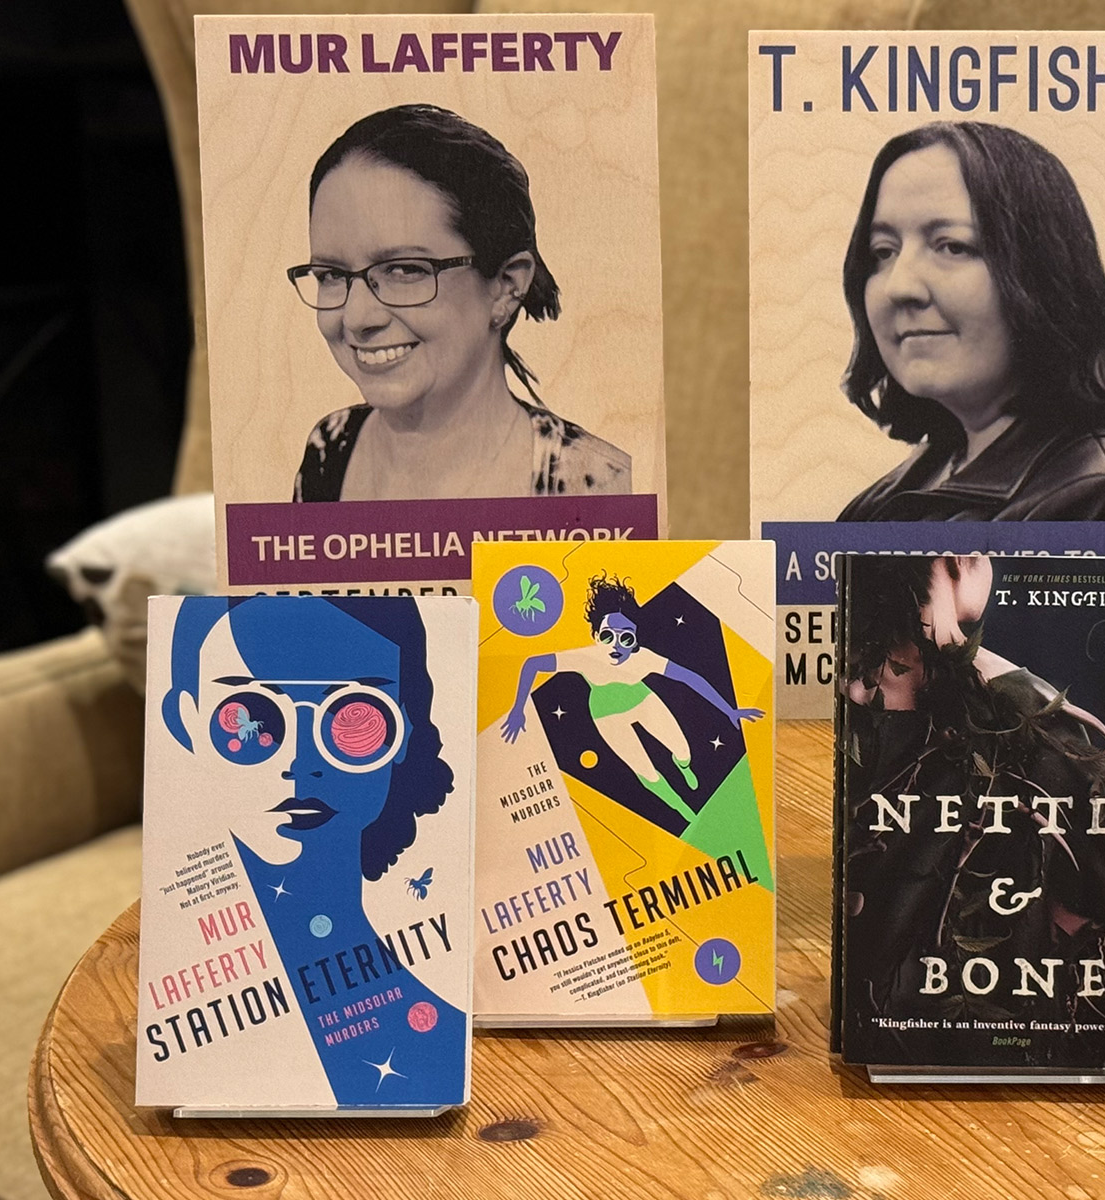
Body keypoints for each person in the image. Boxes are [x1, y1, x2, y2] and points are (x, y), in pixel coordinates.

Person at [838, 554, 1105, 1038]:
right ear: (959, 561)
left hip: (871, 1024)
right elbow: (1099, 899)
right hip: (994, 1021)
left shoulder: (845, 698)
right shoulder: (1029, 713)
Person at [162, 595, 466, 1105]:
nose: (301, 764)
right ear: (185, 723)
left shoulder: (437, 1030)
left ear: (408, 728)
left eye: (353, 721)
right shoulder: (188, 992)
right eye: (248, 719)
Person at [835, 122, 1105, 523]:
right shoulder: (897, 493)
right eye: (882, 252)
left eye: (952, 246)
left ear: (1042, 274)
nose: (899, 287)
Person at [287, 104, 629, 502]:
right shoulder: (329, 451)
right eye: (331, 275)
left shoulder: (600, 490)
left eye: (405, 270)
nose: (357, 316)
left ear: (505, 287)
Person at [500, 573, 763, 824]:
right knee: (646, 772)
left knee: (683, 750)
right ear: (595, 636)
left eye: (625, 638)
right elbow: (532, 663)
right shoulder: (584, 657)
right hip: (606, 716)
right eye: (607, 636)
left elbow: (690, 678)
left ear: (635, 640)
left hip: (642, 701)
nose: (615, 646)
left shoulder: (644, 658)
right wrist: (517, 709)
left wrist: (729, 710)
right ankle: (683, 810)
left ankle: (683, 766)